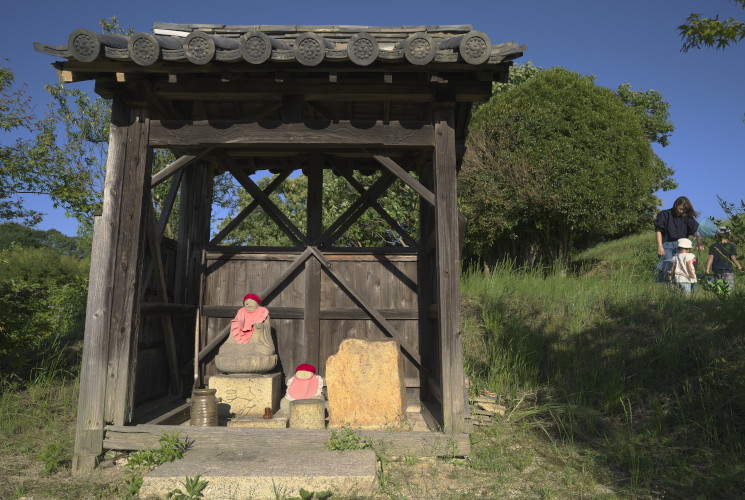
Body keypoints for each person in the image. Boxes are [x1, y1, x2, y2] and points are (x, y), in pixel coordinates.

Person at [654, 196, 703, 282]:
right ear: (676, 205)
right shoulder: (664, 214)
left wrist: (700, 243)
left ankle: (678, 288)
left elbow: (697, 231)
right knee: (668, 267)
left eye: (684, 210)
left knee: (680, 267)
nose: (682, 211)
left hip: (681, 246)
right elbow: (659, 230)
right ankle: (666, 287)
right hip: (666, 245)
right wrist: (660, 246)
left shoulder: (687, 217)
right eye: (680, 209)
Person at [705, 226, 742, 293]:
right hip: (728, 271)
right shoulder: (731, 246)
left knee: (719, 290)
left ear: (717, 236)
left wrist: (708, 268)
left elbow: (711, 257)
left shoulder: (713, 246)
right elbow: (733, 258)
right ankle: (729, 302)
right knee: (729, 290)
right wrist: (739, 266)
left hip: (717, 271)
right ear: (729, 235)